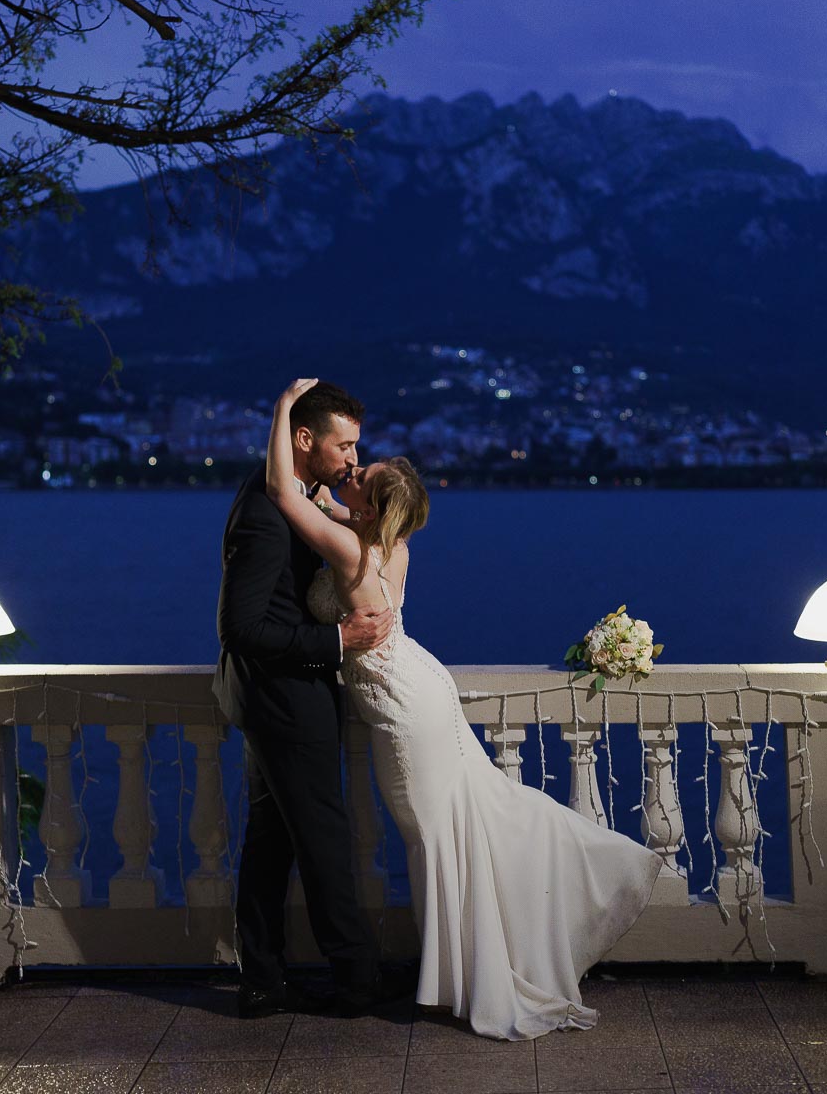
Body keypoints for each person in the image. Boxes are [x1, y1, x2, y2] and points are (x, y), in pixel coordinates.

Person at [263, 377, 664, 1041]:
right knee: (454, 828)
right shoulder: (388, 545)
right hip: (420, 688)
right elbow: (321, 499)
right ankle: (462, 974)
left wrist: (282, 408)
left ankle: (478, 975)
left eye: (361, 473)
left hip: (405, 705)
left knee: (438, 832)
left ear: (372, 504)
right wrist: (326, 478)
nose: (353, 470)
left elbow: (285, 493)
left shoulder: (350, 549)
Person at [214, 380, 400, 1018]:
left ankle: (262, 980)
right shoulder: (267, 513)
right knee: (323, 839)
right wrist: (336, 638)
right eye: (344, 444)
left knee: (270, 843)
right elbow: (239, 627)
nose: (353, 458)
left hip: (272, 698)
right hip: (287, 700)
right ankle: (355, 981)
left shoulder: (287, 496)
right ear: (303, 440)